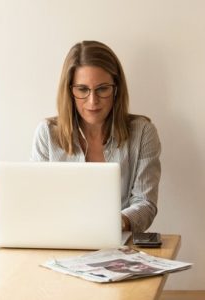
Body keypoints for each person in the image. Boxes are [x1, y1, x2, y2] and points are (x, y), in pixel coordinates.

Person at [31, 40, 161, 233]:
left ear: (116, 89)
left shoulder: (143, 132)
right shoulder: (47, 133)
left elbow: (145, 203)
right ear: (69, 91)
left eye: (102, 89)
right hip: (59, 241)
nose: (93, 101)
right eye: (83, 89)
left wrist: (116, 222)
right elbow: (38, 202)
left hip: (118, 246)